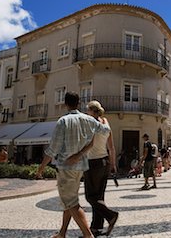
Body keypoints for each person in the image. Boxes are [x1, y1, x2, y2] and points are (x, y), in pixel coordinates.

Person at [36, 92, 112, 238]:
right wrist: (105, 120)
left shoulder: (63, 121)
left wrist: (40, 169)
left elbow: (53, 149)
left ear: (65, 104)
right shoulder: (88, 120)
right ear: (79, 104)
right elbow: (106, 130)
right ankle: (62, 233)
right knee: (69, 200)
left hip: (66, 168)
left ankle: (87, 235)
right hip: (81, 167)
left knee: (71, 202)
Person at [66, 100, 118, 237]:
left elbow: (87, 144)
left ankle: (111, 216)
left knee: (90, 196)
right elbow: (111, 147)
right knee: (99, 196)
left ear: (92, 111)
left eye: (87, 110)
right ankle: (96, 227)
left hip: (92, 163)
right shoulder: (106, 122)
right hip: (105, 162)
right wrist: (113, 164)